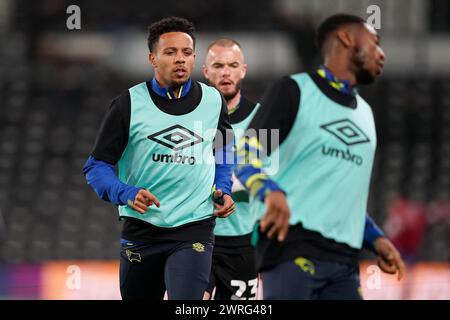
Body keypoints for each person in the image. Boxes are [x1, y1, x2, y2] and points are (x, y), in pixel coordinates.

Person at [235, 13, 406, 299]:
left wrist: (376, 238)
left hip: (345, 262)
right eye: (375, 42)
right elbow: (244, 154)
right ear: (346, 38)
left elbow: (341, 198)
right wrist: (269, 191)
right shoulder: (293, 90)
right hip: (292, 246)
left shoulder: (366, 115)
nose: (382, 54)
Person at [83, 16, 235, 300]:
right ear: (153, 59)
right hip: (142, 232)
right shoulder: (127, 104)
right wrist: (125, 193)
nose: (180, 59)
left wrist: (223, 188)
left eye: (187, 53)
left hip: (194, 229)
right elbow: (96, 166)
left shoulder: (214, 101)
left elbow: (224, 151)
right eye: (170, 52)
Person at [202, 39, 260, 300]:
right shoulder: (190, 117)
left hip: (241, 241)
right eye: (218, 65)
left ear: (243, 70)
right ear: (206, 71)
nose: (226, 72)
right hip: (195, 237)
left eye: (233, 65)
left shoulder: (262, 120)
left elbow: (263, 183)